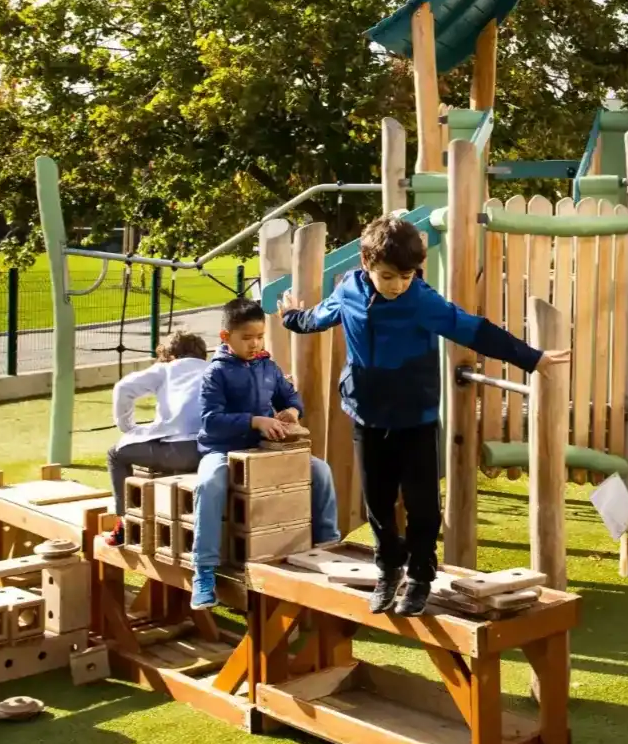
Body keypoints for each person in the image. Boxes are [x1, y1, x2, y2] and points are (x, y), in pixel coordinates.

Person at [284, 215, 568, 617]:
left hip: (414, 419)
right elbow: (319, 317)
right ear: (366, 263)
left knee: (423, 505)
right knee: (378, 502)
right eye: (388, 276)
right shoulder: (348, 290)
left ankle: (419, 574)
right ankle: (388, 567)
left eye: (406, 275)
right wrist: (291, 318)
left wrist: (531, 357)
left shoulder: (421, 301)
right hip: (367, 415)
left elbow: (474, 329)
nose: (398, 285)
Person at [191, 297, 341, 609]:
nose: (255, 343)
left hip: (262, 452)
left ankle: (328, 544)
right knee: (210, 482)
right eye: (247, 338)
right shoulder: (215, 373)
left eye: (260, 336)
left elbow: (291, 397)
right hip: (222, 450)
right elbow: (210, 422)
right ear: (225, 337)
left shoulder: (269, 366)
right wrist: (255, 421)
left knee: (320, 471)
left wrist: (290, 411)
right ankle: (203, 569)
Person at [104, 331, 210, 547]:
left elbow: (123, 388)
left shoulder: (167, 369)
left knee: (115, 454)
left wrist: (127, 427)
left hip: (177, 451)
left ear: (170, 355)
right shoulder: (213, 369)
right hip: (210, 451)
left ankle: (125, 523)